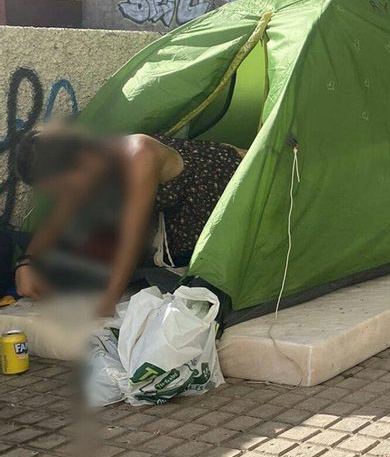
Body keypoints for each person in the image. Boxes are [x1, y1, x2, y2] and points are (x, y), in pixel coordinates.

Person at [10, 125, 244, 317]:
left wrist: (106, 303)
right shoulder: (86, 166)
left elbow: (131, 238)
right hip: (181, 220)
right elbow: (58, 217)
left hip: (235, 189)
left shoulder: (138, 154)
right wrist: (26, 264)